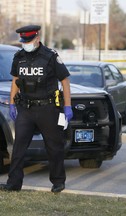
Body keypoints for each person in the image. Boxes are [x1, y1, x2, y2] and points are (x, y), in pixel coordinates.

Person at [0, 25, 73, 193]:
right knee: (18, 147)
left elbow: (65, 81)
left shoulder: (50, 56)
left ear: (37, 38)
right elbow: (15, 81)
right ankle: (14, 183)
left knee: (54, 147)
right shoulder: (19, 57)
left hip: (48, 109)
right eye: (23, 41)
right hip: (25, 109)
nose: (25, 43)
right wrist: (12, 103)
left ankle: (58, 182)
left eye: (28, 40)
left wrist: (67, 106)